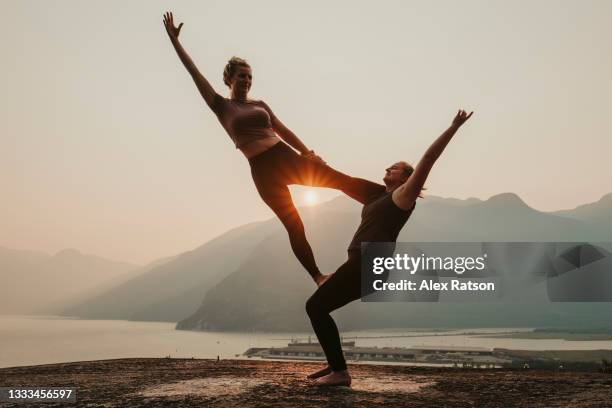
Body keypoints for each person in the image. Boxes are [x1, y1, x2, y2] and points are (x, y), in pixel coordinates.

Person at [163, 11, 378, 286]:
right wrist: (175, 42)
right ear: (229, 79)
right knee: (294, 225)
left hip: (284, 156)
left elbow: (283, 130)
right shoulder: (221, 106)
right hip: (262, 172)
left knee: (338, 180)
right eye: (242, 76)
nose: (247, 81)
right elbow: (194, 73)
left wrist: (307, 153)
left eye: (250, 76)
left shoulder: (260, 104)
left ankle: (382, 197)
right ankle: (318, 276)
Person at [305, 110, 473, 386]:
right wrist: (316, 162)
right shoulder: (376, 197)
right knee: (318, 307)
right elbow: (342, 181)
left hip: (368, 264)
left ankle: (339, 372)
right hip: (361, 263)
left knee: (315, 306)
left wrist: (453, 127)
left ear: (407, 177)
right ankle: (336, 367)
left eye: (394, 168)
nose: (387, 169)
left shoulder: (402, 198)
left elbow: (428, 160)